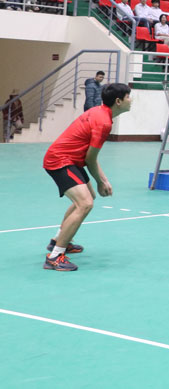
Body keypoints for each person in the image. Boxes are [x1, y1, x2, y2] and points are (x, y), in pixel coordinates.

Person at [42, 83, 132, 271]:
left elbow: (90, 156)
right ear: (118, 101)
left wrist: (104, 180)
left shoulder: (100, 112)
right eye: (128, 96)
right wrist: (101, 181)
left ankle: (58, 240)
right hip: (60, 160)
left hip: (72, 160)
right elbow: (91, 158)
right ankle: (55, 256)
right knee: (85, 203)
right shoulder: (104, 122)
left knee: (86, 199)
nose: (131, 100)